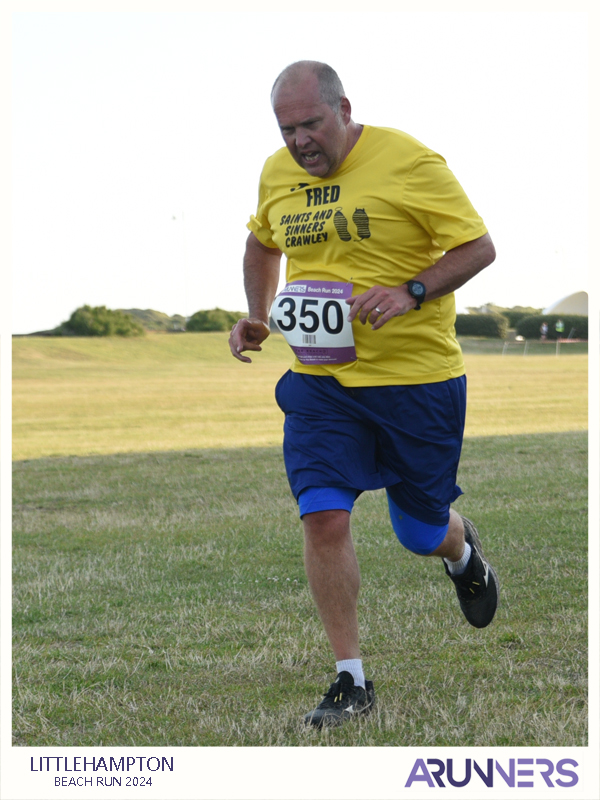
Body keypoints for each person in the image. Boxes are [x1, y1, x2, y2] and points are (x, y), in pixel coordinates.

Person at [229, 61, 499, 729]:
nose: (299, 142)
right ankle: (351, 679)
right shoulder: (276, 173)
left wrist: (410, 292)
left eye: (311, 125)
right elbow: (262, 243)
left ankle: (462, 554)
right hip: (322, 383)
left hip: (417, 382)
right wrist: (259, 313)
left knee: (419, 531)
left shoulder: (408, 160)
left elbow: (477, 247)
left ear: (344, 109)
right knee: (323, 516)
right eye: (287, 129)